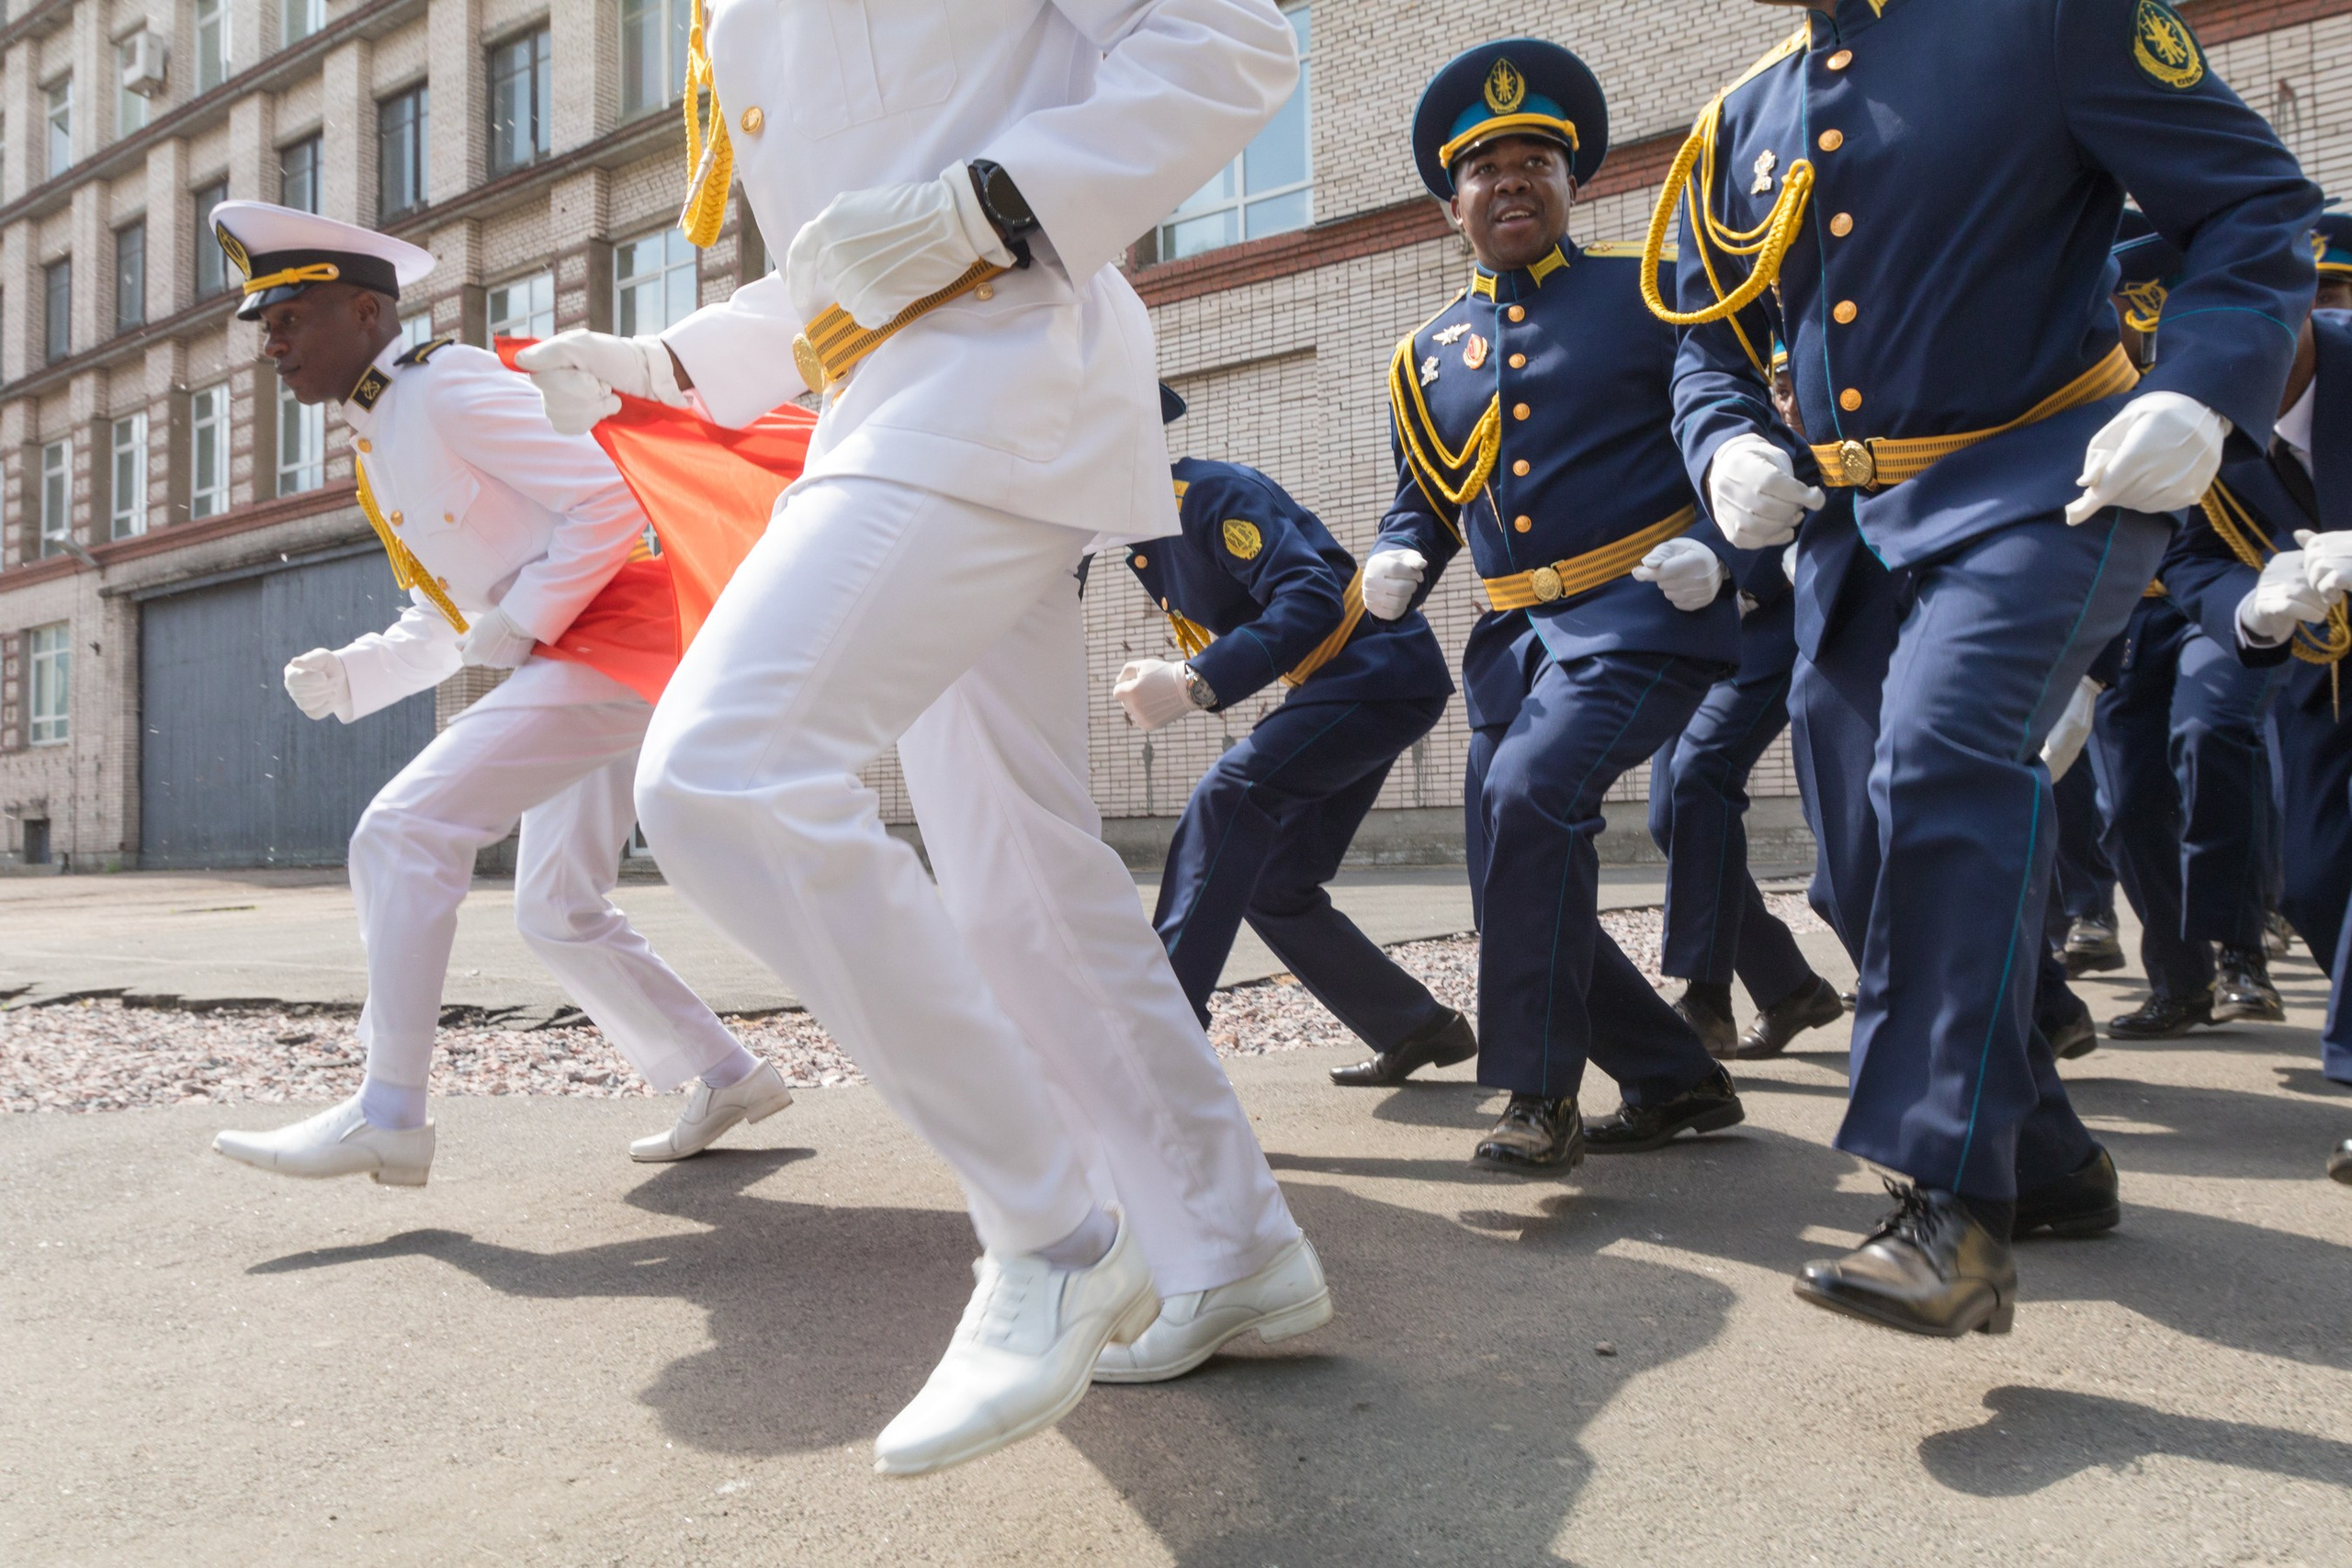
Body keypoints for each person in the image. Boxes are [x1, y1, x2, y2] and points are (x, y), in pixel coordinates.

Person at [513, 0, 1327, 1471]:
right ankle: (1229, 1245)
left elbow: (1230, 42)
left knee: (722, 772)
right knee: (1024, 879)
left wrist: (991, 207)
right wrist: (676, 362)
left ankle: (1053, 1230)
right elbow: (859, 239)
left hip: (999, 384)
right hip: (901, 405)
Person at [1656, 0, 2317, 1337]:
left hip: (2045, 483)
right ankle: (2050, 1156)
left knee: (1947, 759)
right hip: (1853, 526)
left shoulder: (2049, 18)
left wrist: (2198, 385)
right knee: (1857, 859)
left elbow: (2254, 206)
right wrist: (1722, 439)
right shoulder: (1743, 114)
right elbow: (1705, 339)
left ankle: (1949, 1208)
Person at [207, 204, 789, 1187]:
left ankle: (389, 1111)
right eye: (263, 327)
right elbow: (450, 620)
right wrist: (357, 673)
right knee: (556, 907)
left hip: (621, 633)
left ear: (364, 312)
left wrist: (526, 616)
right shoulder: (380, 440)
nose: (271, 345)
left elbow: (610, 498)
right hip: (581, 651)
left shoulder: (449, 388)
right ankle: (726, 1074)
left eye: (288, 319)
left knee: (402, 830)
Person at [1365, 39, 1747, 1175]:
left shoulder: (1653, 296)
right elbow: (1423, 502)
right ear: (1451, 207)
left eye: (1536, 159)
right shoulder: (1423, 358)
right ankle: (1677, 1081)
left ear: (1576, 183)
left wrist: (1717, 545)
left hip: (1641, 612)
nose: (1511, 182)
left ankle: (1538, 1094)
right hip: (1511, 644)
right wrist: (1394, 554)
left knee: (1535, 796)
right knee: (1514, 870)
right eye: (1485, 169)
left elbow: (1739, 435)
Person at [1111, 386, 1471, 1088]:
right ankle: (1413, 1024)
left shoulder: (1206, 495)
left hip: (1372, 666)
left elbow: (1306, 594)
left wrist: (1194, 679)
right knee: (1274, 882)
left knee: (1229, 795)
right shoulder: (1143, 535)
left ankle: (1163, 1035)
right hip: (1346, 680)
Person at [2159, 217, 2352, 1094]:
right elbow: (2192, 554)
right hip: (2327, 671)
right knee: (2314, 885)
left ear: (2303, 304)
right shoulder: (2201, 423)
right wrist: (2257, 606)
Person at [2089, 217, 2290, 1040]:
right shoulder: (2070, 355)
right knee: (2127, 799)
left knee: (2212, 731)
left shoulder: (2219, 337)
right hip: (2128, 602)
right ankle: (2180, 980)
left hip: (2231, 580)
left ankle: (2242, 951)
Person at [1648, 344, 1852, 1061]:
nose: (1790, 396)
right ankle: (1789, 987)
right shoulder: (1672, 417)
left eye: (1796, 384)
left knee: (1701, 770)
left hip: (1781, 621)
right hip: (1708, 632)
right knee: (1670, 813)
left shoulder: (1772, 434)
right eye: (1781, 384)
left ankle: (1705, 1000)